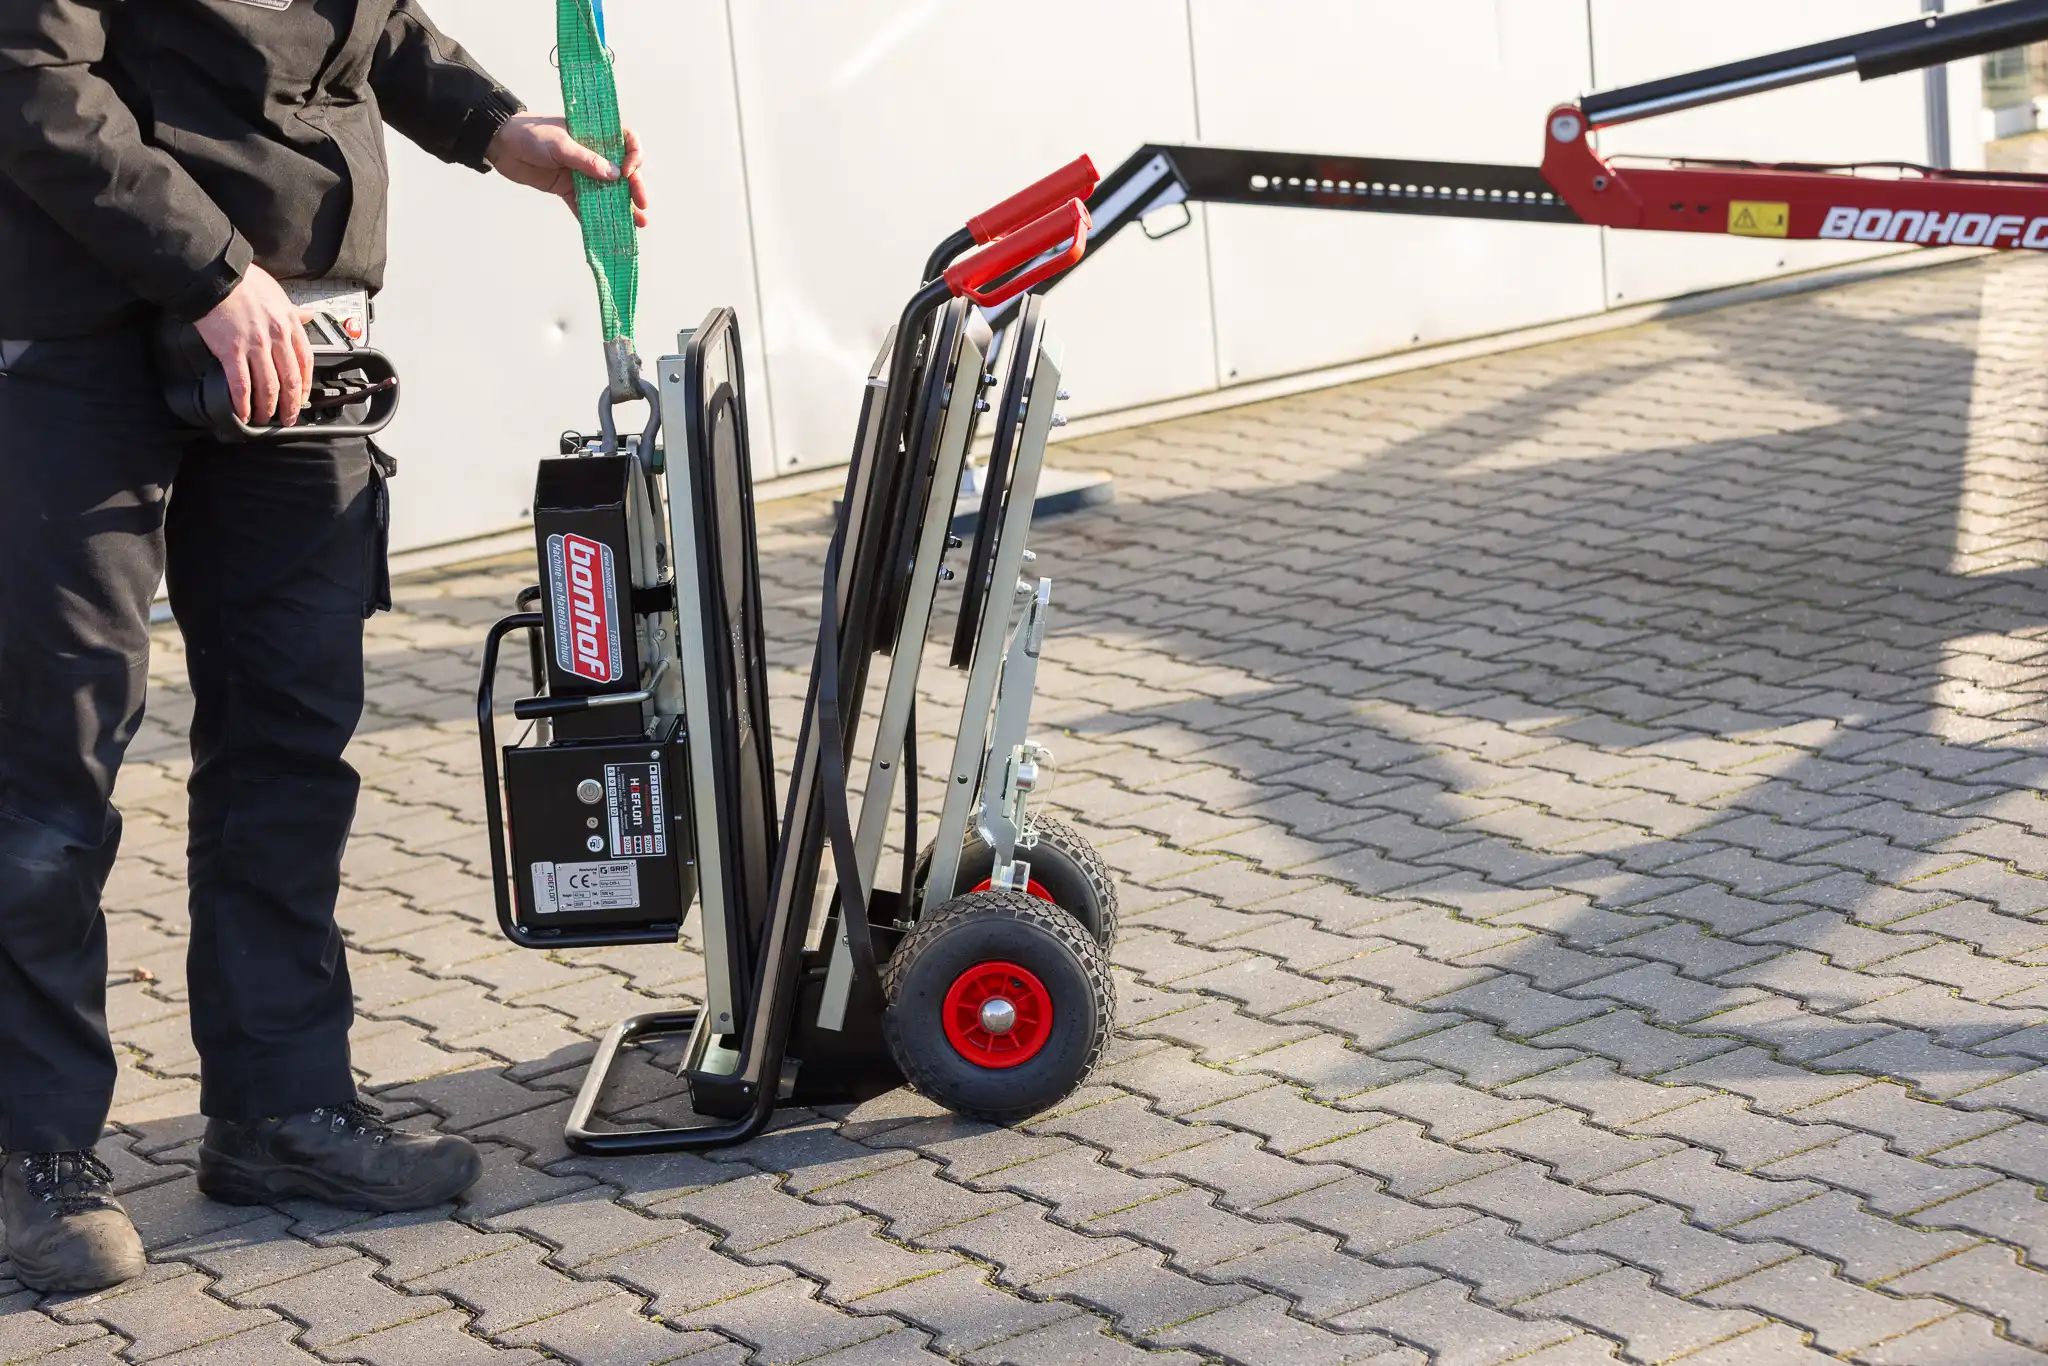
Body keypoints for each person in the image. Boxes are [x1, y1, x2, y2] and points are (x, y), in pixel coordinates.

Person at [0, 0, 649, 1294]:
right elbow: (28, 73)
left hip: (300, 329)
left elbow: (374, 23)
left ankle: (281, 1109)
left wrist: (493, 127)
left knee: (291, 740)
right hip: (84, 331)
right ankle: (33, 1154)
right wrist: (209, 270)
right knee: (50, 765)